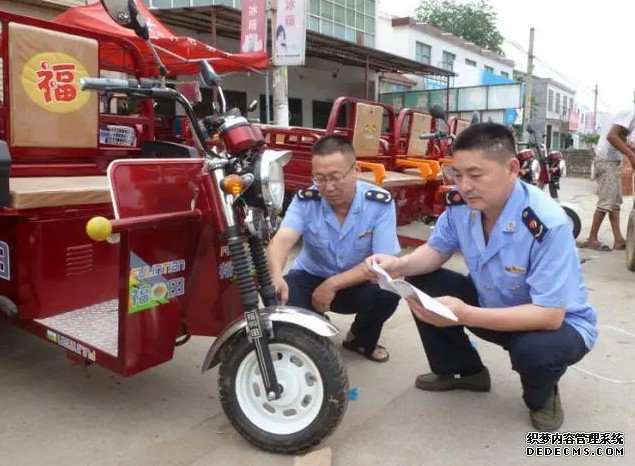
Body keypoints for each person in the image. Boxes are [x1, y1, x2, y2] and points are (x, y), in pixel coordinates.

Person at [366, 123, 597, 431]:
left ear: (512, 168)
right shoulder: (461, 207)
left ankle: (542, 396)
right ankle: (463, 371)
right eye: (457, 174)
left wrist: (464, 314)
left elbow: (550, 316)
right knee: (421, 283)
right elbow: (435, 251)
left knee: (535, 352)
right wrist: (397, 266)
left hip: (553, 325)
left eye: (476, 175)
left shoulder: (546, 223)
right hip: (492, 305)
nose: (464, 185)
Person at [267, 135, 400, 362]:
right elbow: (281, 240)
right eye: (319, 178)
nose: (328, 187)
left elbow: (383, 262)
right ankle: (314, 324)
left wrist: (331, 284)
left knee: (390, 290)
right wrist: (275, 275)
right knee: (279, 296)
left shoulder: (379, 202)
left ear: (355, 169)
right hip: (310, 276)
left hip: (355, 283)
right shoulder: (306, 200)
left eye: (336, 177)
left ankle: (360, 340)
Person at [579, 109, 635, 251]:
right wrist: (630, 154)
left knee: (614, 203)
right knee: (606, 202)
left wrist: (630, 148)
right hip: (605, 161)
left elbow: (618, 138)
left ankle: (618, 240)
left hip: (611, 161)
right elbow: (611, 136)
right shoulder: (630, 113)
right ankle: (592, 239)